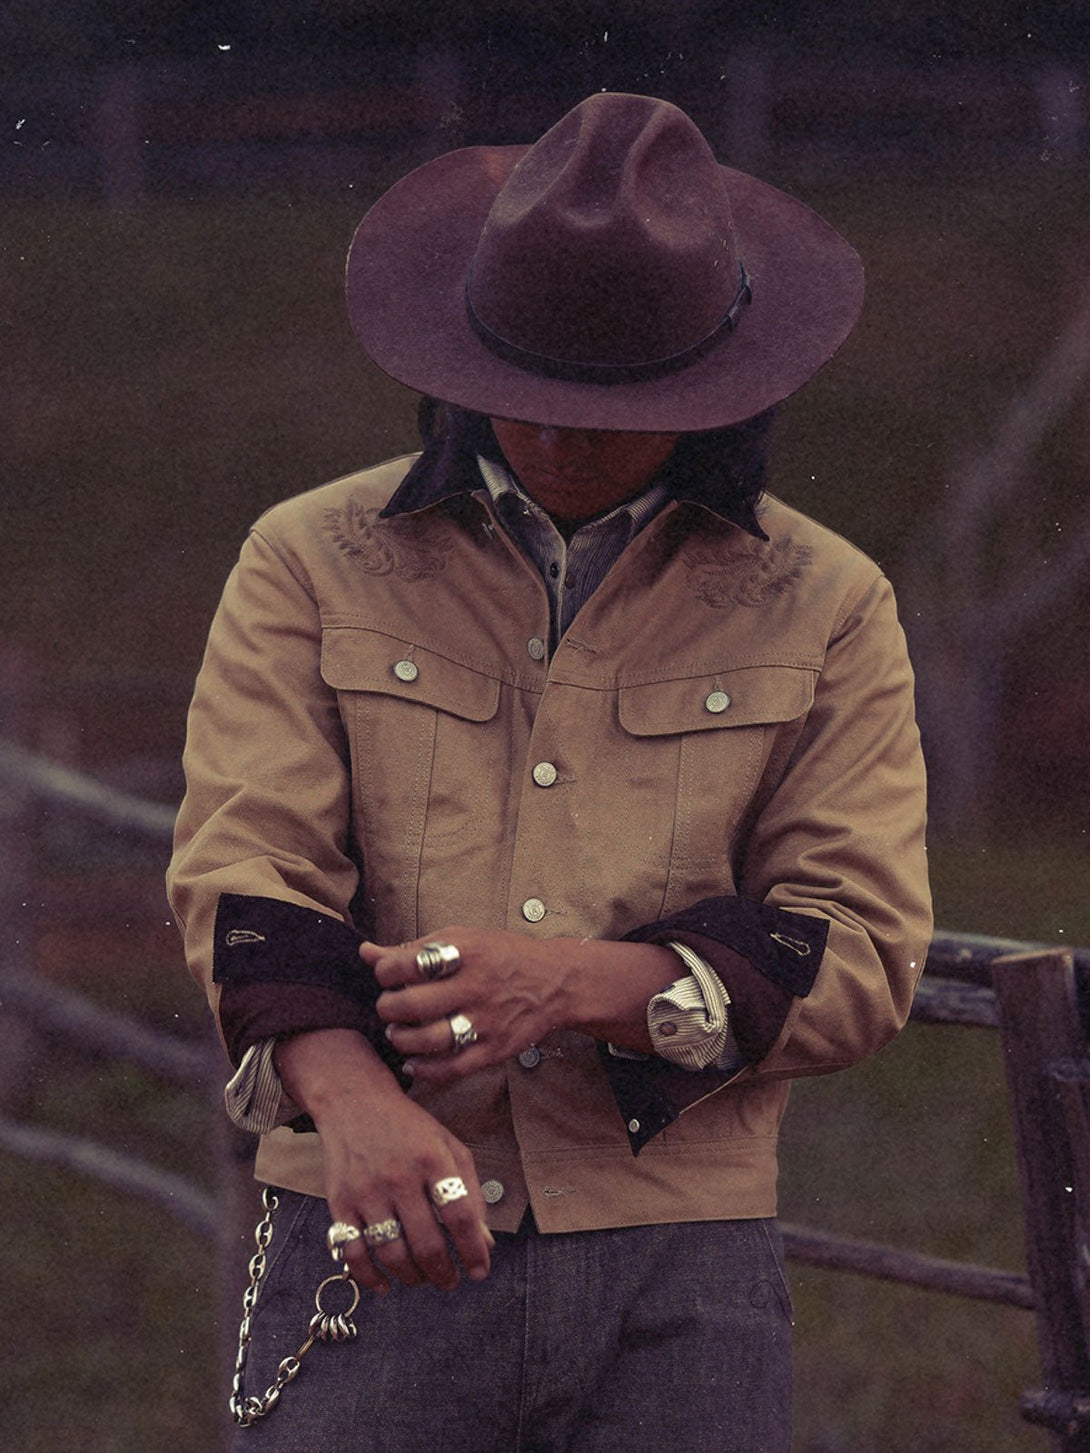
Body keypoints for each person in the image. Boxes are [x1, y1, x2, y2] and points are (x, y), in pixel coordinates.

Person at [167, 91, 931, 1452]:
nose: (559, 437)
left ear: (715, 386)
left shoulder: (825, 600)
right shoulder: (308, 558)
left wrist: (572, 984)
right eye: (527, 395)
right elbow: (246, 873)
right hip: (367, 1236)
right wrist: (355, 1105)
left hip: (680, 1284)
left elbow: (858, 948)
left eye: (611, 405)